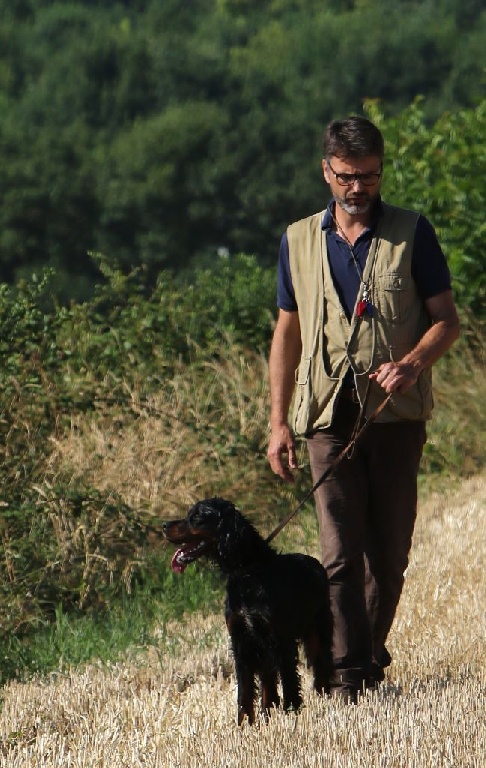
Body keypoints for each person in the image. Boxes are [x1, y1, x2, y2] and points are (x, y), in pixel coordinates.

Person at [267, 115, 460, 702]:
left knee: (390, 553)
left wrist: (411, 364)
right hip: (327, 415)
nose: (359, 189)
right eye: (348, 177)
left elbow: (447, 321)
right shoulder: (296, 241)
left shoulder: (413, 233)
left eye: (371, 177)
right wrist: (277, 423)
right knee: (338, 550)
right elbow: (286, 336)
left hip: (396, 417)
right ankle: (348, 677)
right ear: (326, 171)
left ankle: (368, 656)